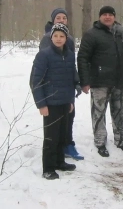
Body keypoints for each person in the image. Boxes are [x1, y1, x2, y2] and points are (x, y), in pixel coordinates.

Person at [77, 6, 123, 157]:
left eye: (110, 15)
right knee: (98, 113)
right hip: (99, 81)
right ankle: (100, 142)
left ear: (114, 16)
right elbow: (82, 58)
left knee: (120, 112)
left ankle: (122, 141)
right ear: (100, 17)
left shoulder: (122, 33)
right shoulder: (91, 34)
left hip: (119, 81)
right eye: (104, 14)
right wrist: (84, 81)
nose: (107, 17)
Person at [30, 24, 78, 180]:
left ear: (66, 38)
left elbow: (71, 80)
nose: (58, 39)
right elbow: (36, 81)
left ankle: (59, 162)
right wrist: (41, 104)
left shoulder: (70, 55)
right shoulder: (44, 55)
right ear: (51, 37)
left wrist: (71, 101)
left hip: (65, 102)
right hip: (50, 103)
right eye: (55, 36)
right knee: (51, 137)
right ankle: (48, 168)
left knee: (63, 135)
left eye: (62, 36)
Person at [39, 8, 84, 160]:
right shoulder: (47, 38)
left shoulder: (69, 39)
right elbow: (45, 66)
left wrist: (76, 82)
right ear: (53, 20)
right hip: (53, 90)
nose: (61, 20)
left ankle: (66, 145)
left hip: (67, 88)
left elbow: (71, 64)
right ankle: (55, 153)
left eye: (64, 18)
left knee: (69, 117)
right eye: (58, 17)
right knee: (54, 124)